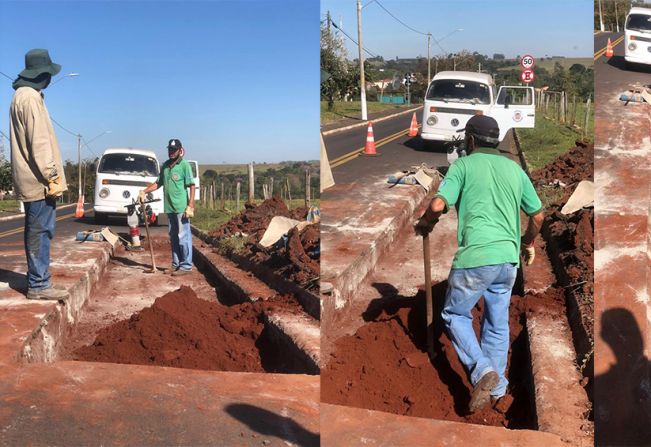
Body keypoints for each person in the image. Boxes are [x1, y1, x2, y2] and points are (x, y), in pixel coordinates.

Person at [415, 115, 545, 413]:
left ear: (470, 140)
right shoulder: (514, 169)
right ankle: (497, 389)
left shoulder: (462, 166)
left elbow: (437, 204)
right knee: (497, 324)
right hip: (508, 261)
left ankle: (481, 369)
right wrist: (527, 242)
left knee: (454, 315)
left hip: (476, 258)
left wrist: (426, 222)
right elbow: (538, 216)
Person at [10, 49, 68, 300]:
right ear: (41, 74)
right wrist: (52, 176)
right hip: (38, 180)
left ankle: (39, 279)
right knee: (40, 230)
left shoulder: (22, 97)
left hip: (33, 178)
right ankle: (39, 284)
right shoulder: (30, 99)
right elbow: (40, 143)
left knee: (39, 229)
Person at [140, 139, 195, 276]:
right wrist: (144, 191)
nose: (171, 152)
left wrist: (191, 205)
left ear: (180, 150)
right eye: (170, 150)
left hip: (181, 208)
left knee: (184, 237)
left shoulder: (185, 166)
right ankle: (175, 264)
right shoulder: (165, 166)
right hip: (170, 208)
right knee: (174, 237)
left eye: (174, 150)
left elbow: (192, 185)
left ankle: (186, 266)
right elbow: (158, 183)